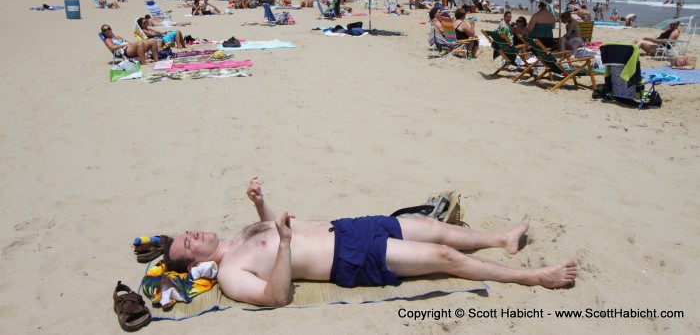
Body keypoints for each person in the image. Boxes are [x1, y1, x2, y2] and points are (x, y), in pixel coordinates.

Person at [163, 178, 578, 307]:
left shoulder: (238, 237)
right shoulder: (231, 274)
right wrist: (286, 244)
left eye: (187, 232)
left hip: (348, 228)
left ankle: (502, 239)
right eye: (188, 243)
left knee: (429, 226)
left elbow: (272, 232)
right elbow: (277, 298)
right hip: (348, 256)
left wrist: (260, 205)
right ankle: (531, 277)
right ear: (194, 263)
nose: (193, 234)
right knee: (442, 256)